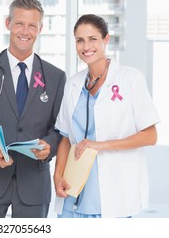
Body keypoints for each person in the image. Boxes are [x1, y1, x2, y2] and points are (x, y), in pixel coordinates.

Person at [0, 0, 66, 218]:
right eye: (19, 23)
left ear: (40, 28)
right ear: (8, 24)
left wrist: (49, 147)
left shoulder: (55, 77)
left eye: (32, 25)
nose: (25, 31)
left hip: (34, 184)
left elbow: (59, 129)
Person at [53, 14, 160, 218]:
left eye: (93, 39)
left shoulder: (131, 79)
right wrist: (57, 175)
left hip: (112, 195)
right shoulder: (73, 84)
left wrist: (99, 144)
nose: (86, 46)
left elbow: (150, 136)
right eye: (80, 40)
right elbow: (65, 136)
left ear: (106, 39)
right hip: (72, 192)